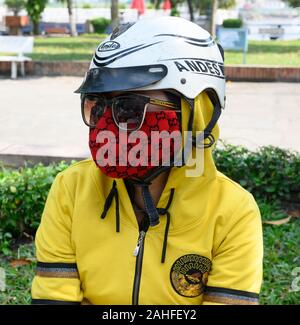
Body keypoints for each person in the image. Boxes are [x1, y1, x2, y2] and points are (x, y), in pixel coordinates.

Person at [31, 16, 263, 305]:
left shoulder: (233, 212)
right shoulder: (70, 190)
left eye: (129, 107)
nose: (107, 125)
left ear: (196, 111)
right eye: (97, 105)